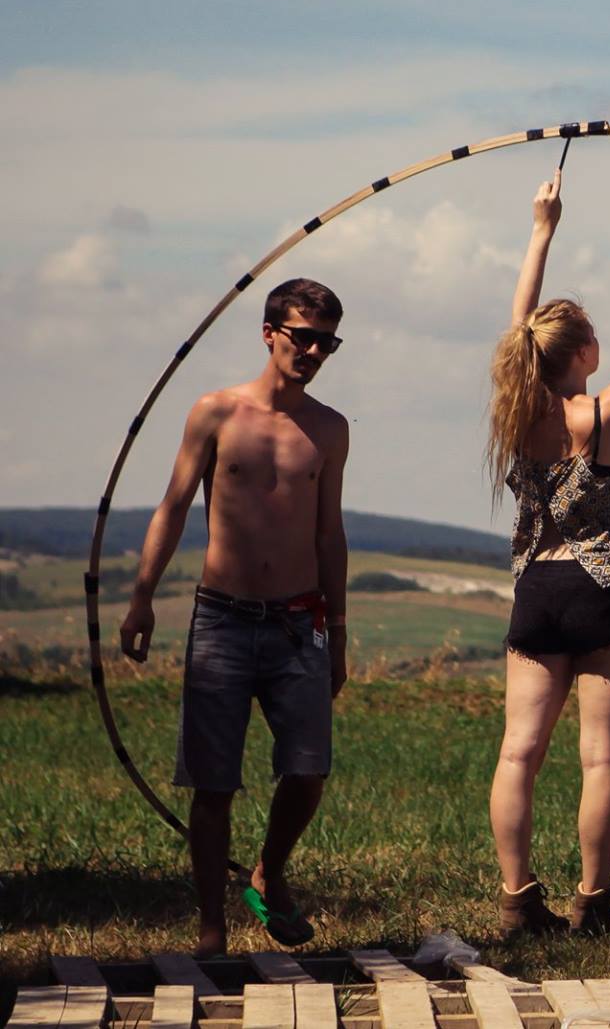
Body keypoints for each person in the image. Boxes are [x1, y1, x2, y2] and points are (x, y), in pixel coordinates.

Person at [119, 278, 352, 955]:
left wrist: (338, 632)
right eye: (302, 336)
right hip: (221, 618)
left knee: (308, 768)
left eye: (327, 342)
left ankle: (268, 871)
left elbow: (329, 533)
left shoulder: (330, 428)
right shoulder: (216, 411)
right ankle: (211, 927)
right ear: (269, 332)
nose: (313, 351)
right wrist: (141, 597)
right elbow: (173, 505)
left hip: (299, 622)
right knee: (213, 780)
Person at [486, 170, 610, 936]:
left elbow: (518, 327)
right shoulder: (600, 416)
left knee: (519, 752)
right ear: (585, 351)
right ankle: (592, 903)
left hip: (537, 589)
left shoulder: (520, 411)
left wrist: (542, 227)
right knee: (600, 756)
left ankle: (517, 900)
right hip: (604, 590)